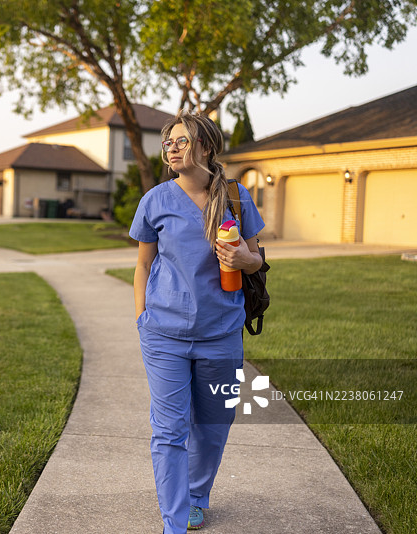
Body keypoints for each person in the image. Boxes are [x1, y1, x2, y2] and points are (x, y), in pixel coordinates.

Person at [130, 111, 265, 533]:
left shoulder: (238, 198)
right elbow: (142, 264)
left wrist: (245, 259)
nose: (171, 147)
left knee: (212, 424)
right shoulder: (155, 200)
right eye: (168, 142)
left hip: (221, 334)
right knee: (169, 430)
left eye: (181, 141)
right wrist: (142, 317)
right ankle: (173, 523)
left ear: (205, 146)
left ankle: (196, 497)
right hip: (164, 334)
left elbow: (257, 259)